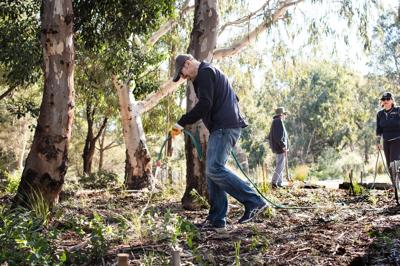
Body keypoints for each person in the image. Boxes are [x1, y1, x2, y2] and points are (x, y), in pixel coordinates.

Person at [170, 54, 267, 231]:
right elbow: (232, 98)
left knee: (214, 168)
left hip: (225, 127)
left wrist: (182, 121)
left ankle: (255, 202)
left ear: (188, 63)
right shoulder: (208, 73)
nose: (184, 78)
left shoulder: (205, 73)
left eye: (182, 73)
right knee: (212, 171)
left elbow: (205, 104)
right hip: (223, 127)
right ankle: (217, 218)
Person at [376, 92, 400, 172]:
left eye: (388, 99)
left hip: (397, 140)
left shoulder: (398, 111)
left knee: (394, 163)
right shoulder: (380, 114)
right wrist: (378, 142)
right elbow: (379, 129)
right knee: (389, 164)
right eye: (383, 99)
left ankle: (397, 181)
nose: (385, 101)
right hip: (386, 141)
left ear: (392, 101)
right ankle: (395, 184)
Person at [268, 107, 289, 188]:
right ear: (281, 114)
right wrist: (283, 145)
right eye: (284, 114)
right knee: (280, 165)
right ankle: (274, 182)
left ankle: (279, 183)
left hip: (279, 147)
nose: (285, 116)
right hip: (279, 147)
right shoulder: (278, 121)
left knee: (281, 165)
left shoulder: (277, 121)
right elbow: (278, 136)